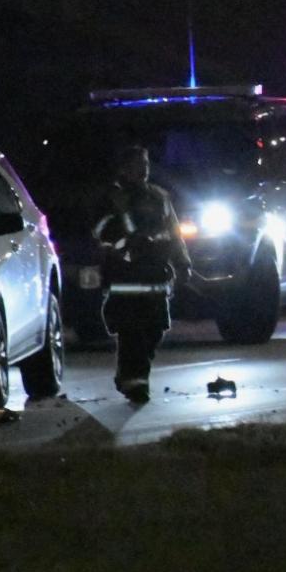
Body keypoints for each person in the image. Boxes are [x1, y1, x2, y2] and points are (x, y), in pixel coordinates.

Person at [92, 146, 191, 404]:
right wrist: (125, 243)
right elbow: (100, 232)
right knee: (131, 334)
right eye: (137, 164)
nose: (143, 169)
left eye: (145, 164)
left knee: (154, 332)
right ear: (124, 168)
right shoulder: (111, 199)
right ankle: (136, 384)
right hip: (125, 279)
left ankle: (129, 376)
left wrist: (183, 263)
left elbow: (174, 233)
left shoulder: (160, 197)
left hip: (156, 278)